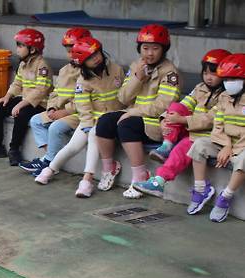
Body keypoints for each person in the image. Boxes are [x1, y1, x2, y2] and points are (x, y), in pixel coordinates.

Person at [93, 24, 182, 198]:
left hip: (155, 123)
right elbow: (123, 98)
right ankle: (108, 168)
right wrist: (137, 79)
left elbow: (164, 105)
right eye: (145, 48)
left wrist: (134, 112)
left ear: (164, 50)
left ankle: (141, 176)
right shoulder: (136, 66)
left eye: (155, 48)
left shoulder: (170, 73)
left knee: (127, 125)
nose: (149, 53)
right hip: (134, 115)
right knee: (104, 121)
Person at [34, 37, 126, 198]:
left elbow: (124, 96)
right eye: (90, 58)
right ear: (83, 63)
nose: (96, 58)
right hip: (90, 119)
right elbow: (83, 106)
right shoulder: (83, 80)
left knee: (92, 135)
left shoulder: (116, 69)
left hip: (112, 119)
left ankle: (87, 179)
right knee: (73, 146)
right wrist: (87, 124)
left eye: (97, 53)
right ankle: (49, 169)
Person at [134, 49, 231, 197]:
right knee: (176, 107)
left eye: (213, 73)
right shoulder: (200, 88)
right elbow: (184, 105)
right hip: (191, 129)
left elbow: (210, 119)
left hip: (207, 136)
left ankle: (159, 181)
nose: (209, 78)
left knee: (184, 146)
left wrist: (181, 120)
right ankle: (167, 145)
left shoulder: (226, 96)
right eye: (205, 73)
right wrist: (164, 121)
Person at [0, 28, 53, 166]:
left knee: (21, 114)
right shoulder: (23, 64)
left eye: (20, 45)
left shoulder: (42, 66)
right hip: (25, 99)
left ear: (33, 49)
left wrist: (21, 104)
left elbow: (41, 91)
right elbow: (17, 83)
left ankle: (14, 149)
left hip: (40, 104)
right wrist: (7, 96)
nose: (17, 49)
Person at [20, 27, 90, 175]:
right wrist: (51, 108)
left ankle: (49, 161)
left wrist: (65, 111)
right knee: (35, 120)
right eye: (69, 50)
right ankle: (49, 157)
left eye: (75, 50)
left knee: (55, 128)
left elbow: (87, 100)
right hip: (61, 111)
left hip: (78, 113)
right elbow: (55, 93)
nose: (71, 54)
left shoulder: (89, 71)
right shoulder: (65, 70)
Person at [186, 53, 245, 222]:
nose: (229, 83)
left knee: (244, 159)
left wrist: (233, 149)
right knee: (199, 145)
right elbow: (218, 127)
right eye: (226, 79)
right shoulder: (224, 97)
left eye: (234, 79)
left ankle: (226, 197)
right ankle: (200, 189)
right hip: (225, 145)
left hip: (242, 148)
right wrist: (226, 145)